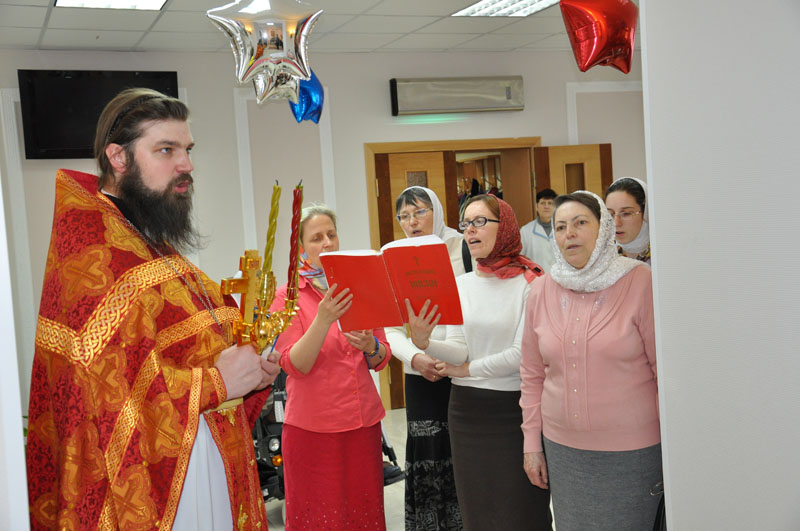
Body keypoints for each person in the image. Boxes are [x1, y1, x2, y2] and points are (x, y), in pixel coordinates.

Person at [25, 88, 281, 530]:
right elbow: (104, 402)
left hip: (206, 459)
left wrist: (250, 369)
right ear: (118, 158)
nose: (186, 165)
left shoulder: (147, 240)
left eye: (187, 149)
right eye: (166, 150)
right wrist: (217, 382)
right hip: (159, 490)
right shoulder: (92, 256)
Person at [406, 195, 551, 530]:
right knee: (477, 513)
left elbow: (521, 355)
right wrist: (425, 342)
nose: (470, 230)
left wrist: (466, 370)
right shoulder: (461, 284)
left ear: (506, 227)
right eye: (466, 224)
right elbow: (459, 348)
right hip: (466, 411)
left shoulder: (531, 282)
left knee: (521, 512)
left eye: (480, 222)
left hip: (513, 411)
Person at [520, 191, 661, 531]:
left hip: (633, 453)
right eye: (560, 227)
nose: (569, 233)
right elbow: (532, 374)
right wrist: (531, 445)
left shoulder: (640, 281)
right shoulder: (540, 290)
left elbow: (664, 372)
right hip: (564, 453)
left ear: (603, 229)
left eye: (581, 223)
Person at [270, 205, 392, 530]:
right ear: (300, 247)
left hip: (363, 426)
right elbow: (294, 365)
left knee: (363, 516)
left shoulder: (358, 286)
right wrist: (323, 318)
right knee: (320, 520)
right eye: (316, 238)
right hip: (313, 432)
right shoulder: (287, 297)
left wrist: (370, 346)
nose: (326, 243)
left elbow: (381, 357)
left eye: (331, 235)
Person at [385, 186, 465, 530]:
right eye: (404, 216)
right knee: (428, 458)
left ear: (437, 211)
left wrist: (441, 353)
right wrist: (416, 357)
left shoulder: (463, 248)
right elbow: (390, 329)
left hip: (461, 370)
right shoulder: (393, 257)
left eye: (420, 212)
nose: (412, 222)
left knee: (460, 455)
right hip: (419, 374)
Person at [605, 177, 651, 263]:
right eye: (610, 214)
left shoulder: (663, 255)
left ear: (646, 212)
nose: (616, 223)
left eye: (626, 213)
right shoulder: (603, 259)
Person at [520, 188, 557, 272]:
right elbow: (519, 258)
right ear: (537, 206)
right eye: (543, 203)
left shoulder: (564, 230)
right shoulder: (525, 231)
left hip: (560, 278)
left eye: (550, 203)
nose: (546, 206)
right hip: (535, 277)